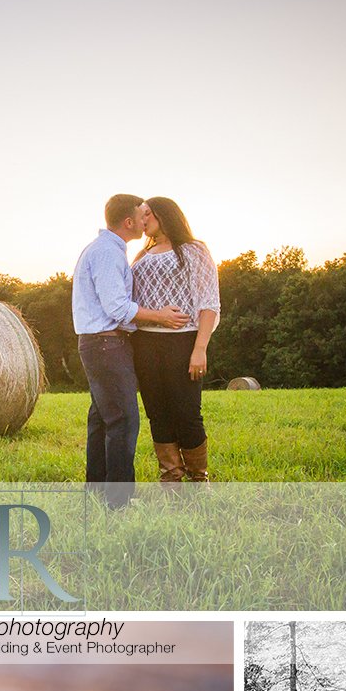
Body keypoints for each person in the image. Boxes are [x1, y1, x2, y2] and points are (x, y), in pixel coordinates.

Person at [72, 194, 190, 506]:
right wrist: (161, 315)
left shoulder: (104, 249)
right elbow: (116, 307)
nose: (144, 220)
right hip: (106, 343)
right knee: (123, 421)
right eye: (141, 216)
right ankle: (119, 502)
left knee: (102, 421)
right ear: (128, 222)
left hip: (99, 343)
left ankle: (97, 494)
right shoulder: (108, 253)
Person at [131, 197, 220, 482]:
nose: (142, 220)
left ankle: (198, 477)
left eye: (147, 214)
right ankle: (170, 477)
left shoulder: (194, 250)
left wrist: (200, 349)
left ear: (162, 215)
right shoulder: (141, 257)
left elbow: (209, 303)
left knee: (187, 413)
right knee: (157, 413)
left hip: (183, 342)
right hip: (144, 343)